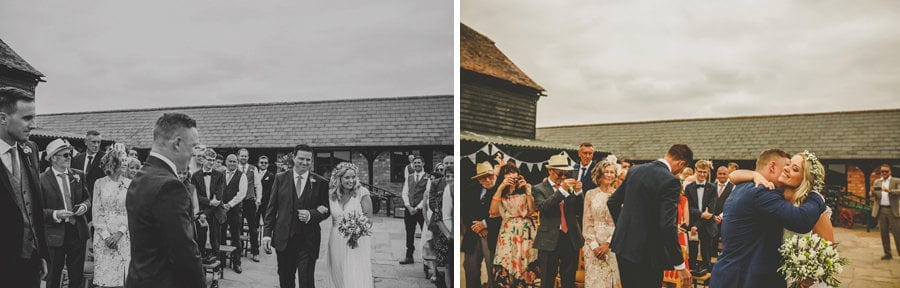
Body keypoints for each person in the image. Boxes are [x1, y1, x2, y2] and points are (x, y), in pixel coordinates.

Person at [710, 149, 825, 288]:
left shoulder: (744, 186)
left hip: (729, 276)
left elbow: (734, 175)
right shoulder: (762, 191)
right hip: (744, 279)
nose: (787, 170)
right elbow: (801, 221)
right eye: (786, 166)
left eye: (793, 168)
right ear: (771, 167)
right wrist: (817, 194)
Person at [125, 113, 204, 287]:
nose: (194, 153)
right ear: (177, 143)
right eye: (193, 146)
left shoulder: (141, 177)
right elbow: (184, 253)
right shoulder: (170, 187)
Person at [607, 144, 693, 287]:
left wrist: (627, 228)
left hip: (623, 246)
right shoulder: (671, 181)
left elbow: (613, 202)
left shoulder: (635, 170)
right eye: (682, 169)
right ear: (681, 163)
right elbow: (667, 226)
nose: (679, 172)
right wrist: (680, 266)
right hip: (649, 253)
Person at [0, 87, 50, 288]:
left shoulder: (30, 151)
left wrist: (42, 254)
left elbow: (34, 208)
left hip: (30, 263)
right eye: (27, 118)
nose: (34, 125)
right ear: (3, 118)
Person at [262, 144, 330, 288]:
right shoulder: (280, 178)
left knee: (306, 282)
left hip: (308, 241)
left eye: (308, 160)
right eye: (301, 159)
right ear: (294, 158)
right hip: (284, 239)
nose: (304, 163)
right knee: (286, 280)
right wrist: (267, 234)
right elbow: (271, 208)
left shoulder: (321, 182)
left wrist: (312, 214)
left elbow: (326, 210)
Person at [40, 139, 90, 288]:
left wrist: (84, 206)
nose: (69, 157)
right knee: (53, 276)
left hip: (77, 231)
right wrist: (55, 214)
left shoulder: (79, 175)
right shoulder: (41, 180)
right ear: (54, 158)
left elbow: (87, 198)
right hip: (55, 234)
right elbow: (37, 211)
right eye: (65, 155)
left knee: (76, 277)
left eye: (70, 154)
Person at [533, 154, 583, 288]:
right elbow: (544, 207)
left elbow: (580, 210)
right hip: (549, 239)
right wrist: (561, 190)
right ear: (550, 171)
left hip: (570, 237)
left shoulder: (570, 187)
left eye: (566, 174)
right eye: (560, 173)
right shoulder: (539, 188)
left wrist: (579, 193)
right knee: (548, 280)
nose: (563, 177)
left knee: (568, 280)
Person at [490, 164, 539, 287]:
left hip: (526, 231)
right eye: (508, 173)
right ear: (503, 177)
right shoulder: (500, 191)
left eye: (514, 173)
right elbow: (493, 212)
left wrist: (528, 191)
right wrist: (501, 187)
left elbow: (532, 209)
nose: (512, 176)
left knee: (525, 264)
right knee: (507, 263)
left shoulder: (526, 187)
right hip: (508, 231)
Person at [327, 162, 374, 288]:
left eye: (353, 177)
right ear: (339, 178)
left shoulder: (362, 192)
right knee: (338, 270)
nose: (351, 180)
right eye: (347, 177)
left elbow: (369, 219)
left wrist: (356, 231)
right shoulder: (331, 194)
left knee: (354, 272)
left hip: (357, 240)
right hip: (336, 238)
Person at [92, 149, 132, 287]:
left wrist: (120, 232)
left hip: (123, 236)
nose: (126, 162)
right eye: (123, 159)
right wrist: (106, 236)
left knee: (122, 279)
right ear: (113, 162)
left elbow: (131, 211)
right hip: (104, 238)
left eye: (127, 159)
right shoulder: (99, 183)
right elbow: (97, 212)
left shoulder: (130, 184)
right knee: (105, 280)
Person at [582, 160, 620, 287]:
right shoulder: (590, 194)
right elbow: (587, 222)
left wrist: (607, 244)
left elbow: (620, 223)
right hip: (593, 246)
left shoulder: (619, 195)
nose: (609, 175)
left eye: (612, 172)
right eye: (606, 172)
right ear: (599, 174)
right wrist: (594, 246)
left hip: (613, 245)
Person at [463, 162, 497, 288]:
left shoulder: (501, 188)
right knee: (470, 268)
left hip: (492, 235)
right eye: (483, 177)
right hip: (473, 234)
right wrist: (478, 227)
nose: (488, 179)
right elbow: (466, 210)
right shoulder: (471, 189)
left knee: (492, 269)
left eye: (490, 175)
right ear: (478, 179)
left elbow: (504, 214)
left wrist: (485, 224)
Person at [190, 148, 226, 263]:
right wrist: (209, 203)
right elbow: (196, 196)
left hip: (215, 212)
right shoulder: (195, 176)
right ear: (203, 159)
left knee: (216, 243)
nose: (211, 162)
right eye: (209, 159)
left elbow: (218, 198)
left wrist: (207, 211)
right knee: (201, 241)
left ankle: (216, 276)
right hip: (201, 212)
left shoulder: (219, 175)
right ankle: (201, 271)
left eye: (213, 160)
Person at [685, 160, 717, 276]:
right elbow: (688, 207)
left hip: (706, 225)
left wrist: (697, 225)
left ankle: (708, 279)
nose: (702, 175)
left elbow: (710, 210)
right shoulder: (689, 188)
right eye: (700, 172)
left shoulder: (712, 188)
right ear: (695, 171)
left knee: (706, 254)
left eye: (705, 172)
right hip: (693, 223)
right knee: (692, 253)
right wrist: (700, 215)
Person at [220, 154, 248, 273]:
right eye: (230, 161)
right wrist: (221, 204)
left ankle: (237, 263)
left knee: (236, 237)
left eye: (234, 161)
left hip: (235, 211)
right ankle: (221, 261)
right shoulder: (220, 174)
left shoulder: (242, 176)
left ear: (237, 163)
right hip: (220, 209)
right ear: (226, 162)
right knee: (220, 235)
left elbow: (242, 194)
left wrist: (229, 205)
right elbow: (216, 190)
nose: (232, 163)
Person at [429, 156, 453, 288]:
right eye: (446, 163)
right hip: (440, 227)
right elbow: (432, 202)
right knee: (441, 259)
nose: (448, 165)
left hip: (453, 227)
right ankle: (439, 279)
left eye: (451, 163)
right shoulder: (436, 183)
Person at [400, 156, 428, 264]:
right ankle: (409, 256)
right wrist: (408, 206)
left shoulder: (428, 177)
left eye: (419, 163)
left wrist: (417, 208)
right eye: (415, 163)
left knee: (425, 233)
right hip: (409, 209)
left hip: (421, 210)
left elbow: (427, 195)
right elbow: (404, 192)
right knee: (409, 233)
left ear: (423, 164)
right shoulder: (409, 177)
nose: (417, 165)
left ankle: (426, 259)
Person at [237, 148, 263, 262]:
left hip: (249, 201)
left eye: (246, 156)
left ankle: (255, 252)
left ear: (248, 157)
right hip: (237, 202)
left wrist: (258, 199)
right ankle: (239, 249)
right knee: (238, 227)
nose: (244, 158)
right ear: (238, 156)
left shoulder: (253, 169)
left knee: (253, 228)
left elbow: (258, 185)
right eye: (242, 156)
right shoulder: (234, 168)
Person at [871, 164, 900, 260]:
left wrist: (890, 191)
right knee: (884, 233)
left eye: (886, 171)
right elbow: (871, 194)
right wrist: (872, 191)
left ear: (890, 171)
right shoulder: (877, 181)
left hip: (893, 210)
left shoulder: (896, 181)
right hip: (881, 210)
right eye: (882, 171)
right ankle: (887, 253)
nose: (884, 173)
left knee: (897, 233)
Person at [71, 130, 105, 199]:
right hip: (80, 200)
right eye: (93, 142)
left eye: (98, 142)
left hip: (98, 198)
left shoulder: (105, 159)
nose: (96, 145)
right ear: (86, 142)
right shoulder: (76, 159)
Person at [712, 165, 734, 255]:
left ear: (728, 175)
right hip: (712, 219)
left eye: (724, 174)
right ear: (717, 174)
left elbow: (732, 204)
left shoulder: (733, 187)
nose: (722, 176)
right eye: (720, 174)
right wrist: (713, 216)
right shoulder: (711, 186)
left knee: (725, 242)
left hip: (726, 219)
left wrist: (721, 216)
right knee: (711, 242)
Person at [257, 155, 276, 255]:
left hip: (266, 204)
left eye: (265, 163)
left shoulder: (271, 176)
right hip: (256, 204)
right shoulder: (256, 174)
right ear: (258, 163)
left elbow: (271, 191)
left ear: (268, 165)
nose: (263, 164)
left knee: (267, 224)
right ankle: (255, 245)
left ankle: (267, 246)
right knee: (255, 225)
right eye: (261, 162)